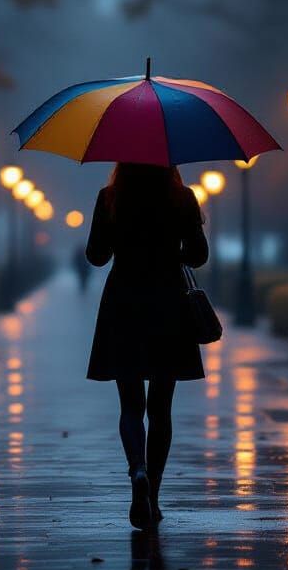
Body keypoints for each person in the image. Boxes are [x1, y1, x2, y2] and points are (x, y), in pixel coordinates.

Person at [85, 163, 208, 530]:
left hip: (123, 303)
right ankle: (152, 494)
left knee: (130, 406)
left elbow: (96, 255)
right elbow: (199, 255)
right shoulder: (182, 197)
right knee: (161, 409)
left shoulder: (110, 197)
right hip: (168, 304)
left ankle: (136, 469)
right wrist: (172, 252)